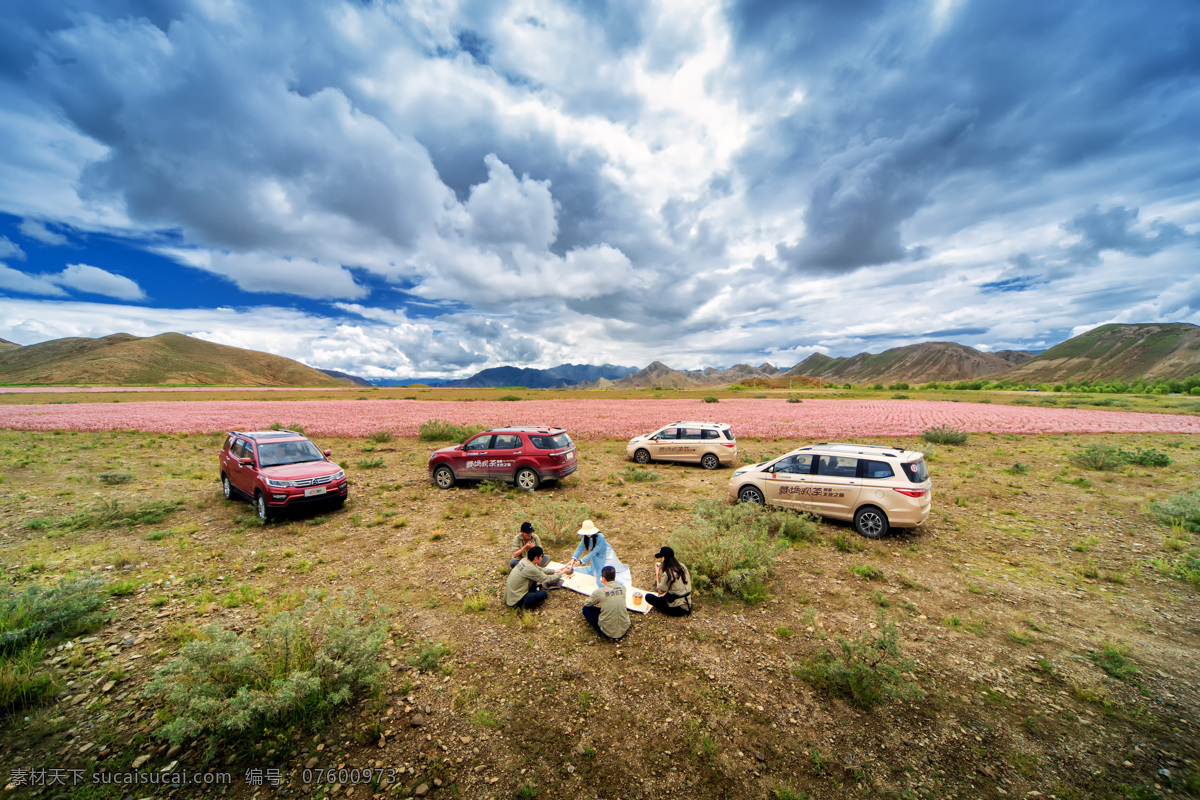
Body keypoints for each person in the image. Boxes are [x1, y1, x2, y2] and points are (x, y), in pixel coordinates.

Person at [505, 546, 571, 610]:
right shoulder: (531, 569)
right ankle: (527, 602)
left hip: (512, 593)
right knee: (543, 594)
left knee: (535, 580)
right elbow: (547, 578)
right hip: (516, 600)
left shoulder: (525, 560)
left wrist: (556, 570)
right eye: (541, 556)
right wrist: (562, 573)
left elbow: (539, 569)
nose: (542, 558)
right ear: (536, 558)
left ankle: (533, 592)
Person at [568, 520, 630, 585]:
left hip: (605, 554)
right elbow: (580, 548)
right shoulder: (585, 537)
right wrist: (573, 559)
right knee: (597, 570)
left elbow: (594, 552)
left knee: (607, 572)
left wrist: (580, 561)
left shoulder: (601, 537)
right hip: (596, 555)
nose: (587, 534)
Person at [582, 565, 630, 641]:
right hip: (625, 626)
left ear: (603, 579)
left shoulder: (600, 591)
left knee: (586, 609)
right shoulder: (622, 588)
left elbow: (587, 604)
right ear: (614, 577)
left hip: (608, 632)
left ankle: (606, 634)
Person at [645, 546, 692, 616]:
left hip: (678, 608)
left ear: (664, 558)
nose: (661, 559)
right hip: (687, 602)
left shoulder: (668, 573)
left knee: (648, 597)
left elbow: (660, 591)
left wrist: (657, 573)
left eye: (661, 557)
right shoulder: (682, 566)